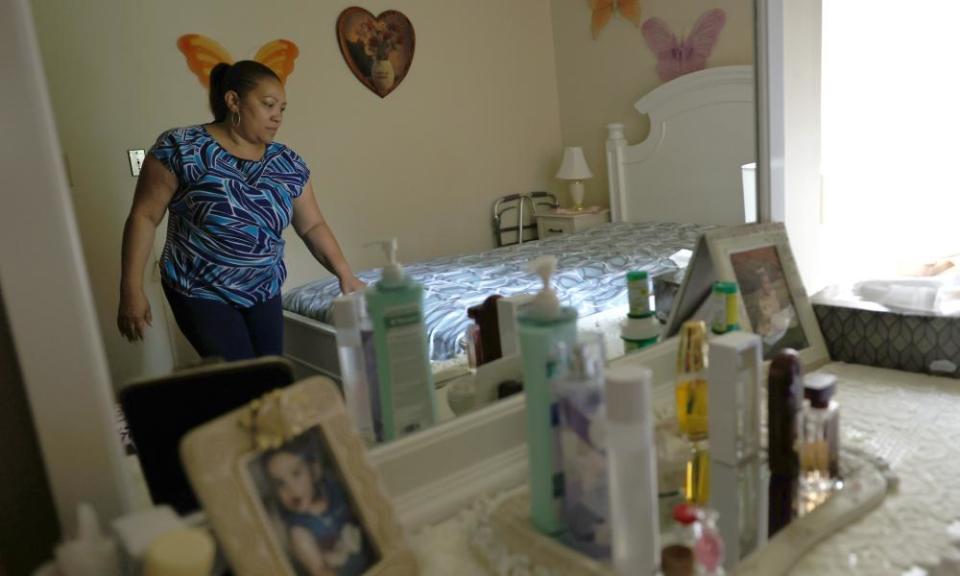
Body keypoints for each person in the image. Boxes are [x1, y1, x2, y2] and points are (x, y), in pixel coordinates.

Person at [117, 60, 364, 360]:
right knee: (244, 382)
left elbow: (312, 226)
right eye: (268, 105)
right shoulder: (182, 148)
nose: (277, 117)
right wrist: (131, 288)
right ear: (233, 100)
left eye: (282, 109)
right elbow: (144, 216)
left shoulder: (287, 163)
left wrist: (345, 274)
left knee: (271, 378)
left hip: (263, 289)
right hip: (199, 290)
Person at [262, 440, 371, 576]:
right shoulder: (299, 531)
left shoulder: (334, 490)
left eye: (296, 474)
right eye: (280, 484)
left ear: (314, 470)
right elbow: (319, 570)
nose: (291, 488)